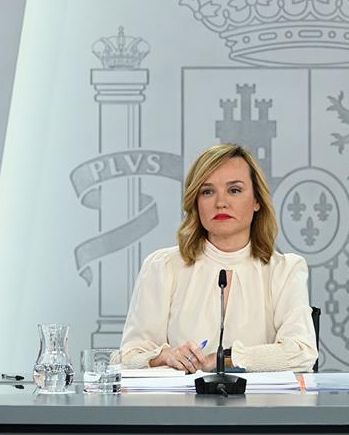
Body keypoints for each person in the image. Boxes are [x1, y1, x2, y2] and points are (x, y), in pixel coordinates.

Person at [120, 143, 317, 373]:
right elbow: (127, 357)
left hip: (258, 407)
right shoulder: (162, 267)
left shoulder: (285, 270)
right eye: (207, 191)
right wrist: (164, 357)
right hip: (180, 407)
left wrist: (224, 359)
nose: (220, 202)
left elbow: (302, 353)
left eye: (234, 190)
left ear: (257, 201)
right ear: (196, 202)